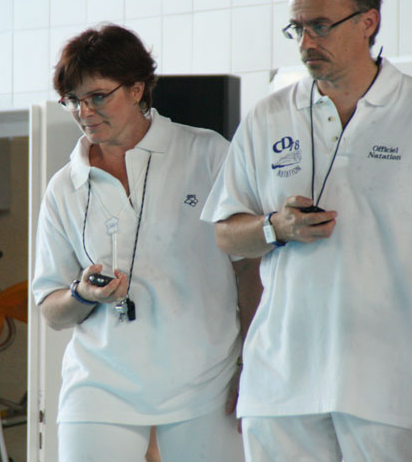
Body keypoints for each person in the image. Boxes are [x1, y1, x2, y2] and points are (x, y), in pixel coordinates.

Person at [201, 0, 412, 460]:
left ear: (368, 22)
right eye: (297, 28)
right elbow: (226, 233)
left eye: (320, 26)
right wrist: (275, 227)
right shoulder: (267, 117)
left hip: (391, 389)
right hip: (281, 388)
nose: (306, 42)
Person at [32, 24, 258, 461]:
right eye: (73, 100)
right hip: (99, 384)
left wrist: (250, 360)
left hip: (205, 381)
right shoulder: (64, 186)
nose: (84, 111)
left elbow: (249, 267)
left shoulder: (206, 153)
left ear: (137, 89)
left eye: (98, 96)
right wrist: (82, 294)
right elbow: (51, 308)